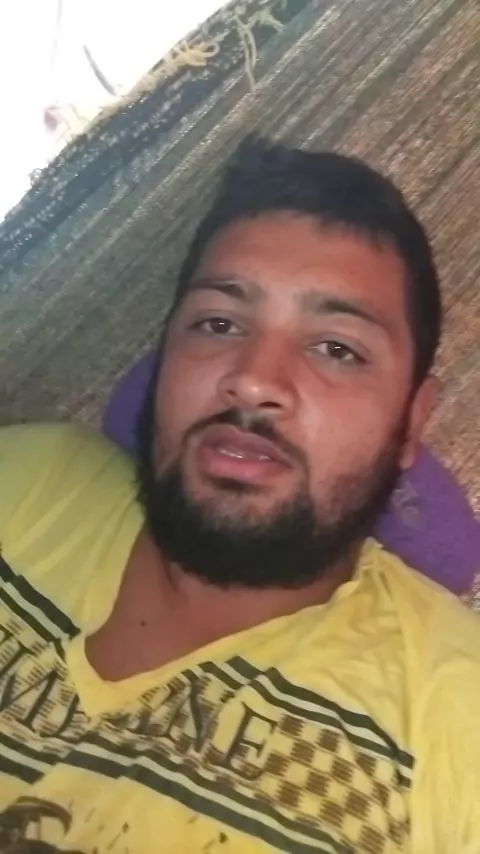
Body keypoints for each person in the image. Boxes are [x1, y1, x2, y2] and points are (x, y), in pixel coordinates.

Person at [0, 136, 479, 854]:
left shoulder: (456, 714)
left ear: (412, 421)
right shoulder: (24, 479)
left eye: (336, 348)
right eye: (218, 324)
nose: (253, 380)